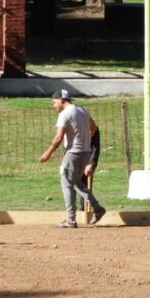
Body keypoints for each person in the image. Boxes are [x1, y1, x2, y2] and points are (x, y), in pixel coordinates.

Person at [39, 89, 106, 228]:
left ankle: (71, 220)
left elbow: (58, 138)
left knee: (67, 184)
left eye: (54, 102)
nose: (53, 105)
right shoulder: (82, 110)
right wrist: (84, 140)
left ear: (62, 100)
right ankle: (98, 209)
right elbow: (94, 128)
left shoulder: (65, 114)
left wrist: (48, 153)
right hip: (85, 153)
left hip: (73, 154)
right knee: (77, 184)